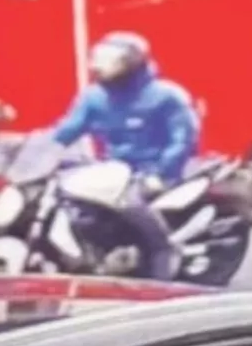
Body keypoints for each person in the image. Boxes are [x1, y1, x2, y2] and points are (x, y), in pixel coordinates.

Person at [50, 31, 200, 280]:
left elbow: (183, 139)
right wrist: (42, 148)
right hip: (112, 170)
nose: (99, 67)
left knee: (131, 204)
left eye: (110, 61)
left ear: (131, 63)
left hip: (151, 171)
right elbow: (67, 129)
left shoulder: (167, 96)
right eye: (98, 59)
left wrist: (161, 173)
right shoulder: (94, 97)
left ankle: (163, 254)